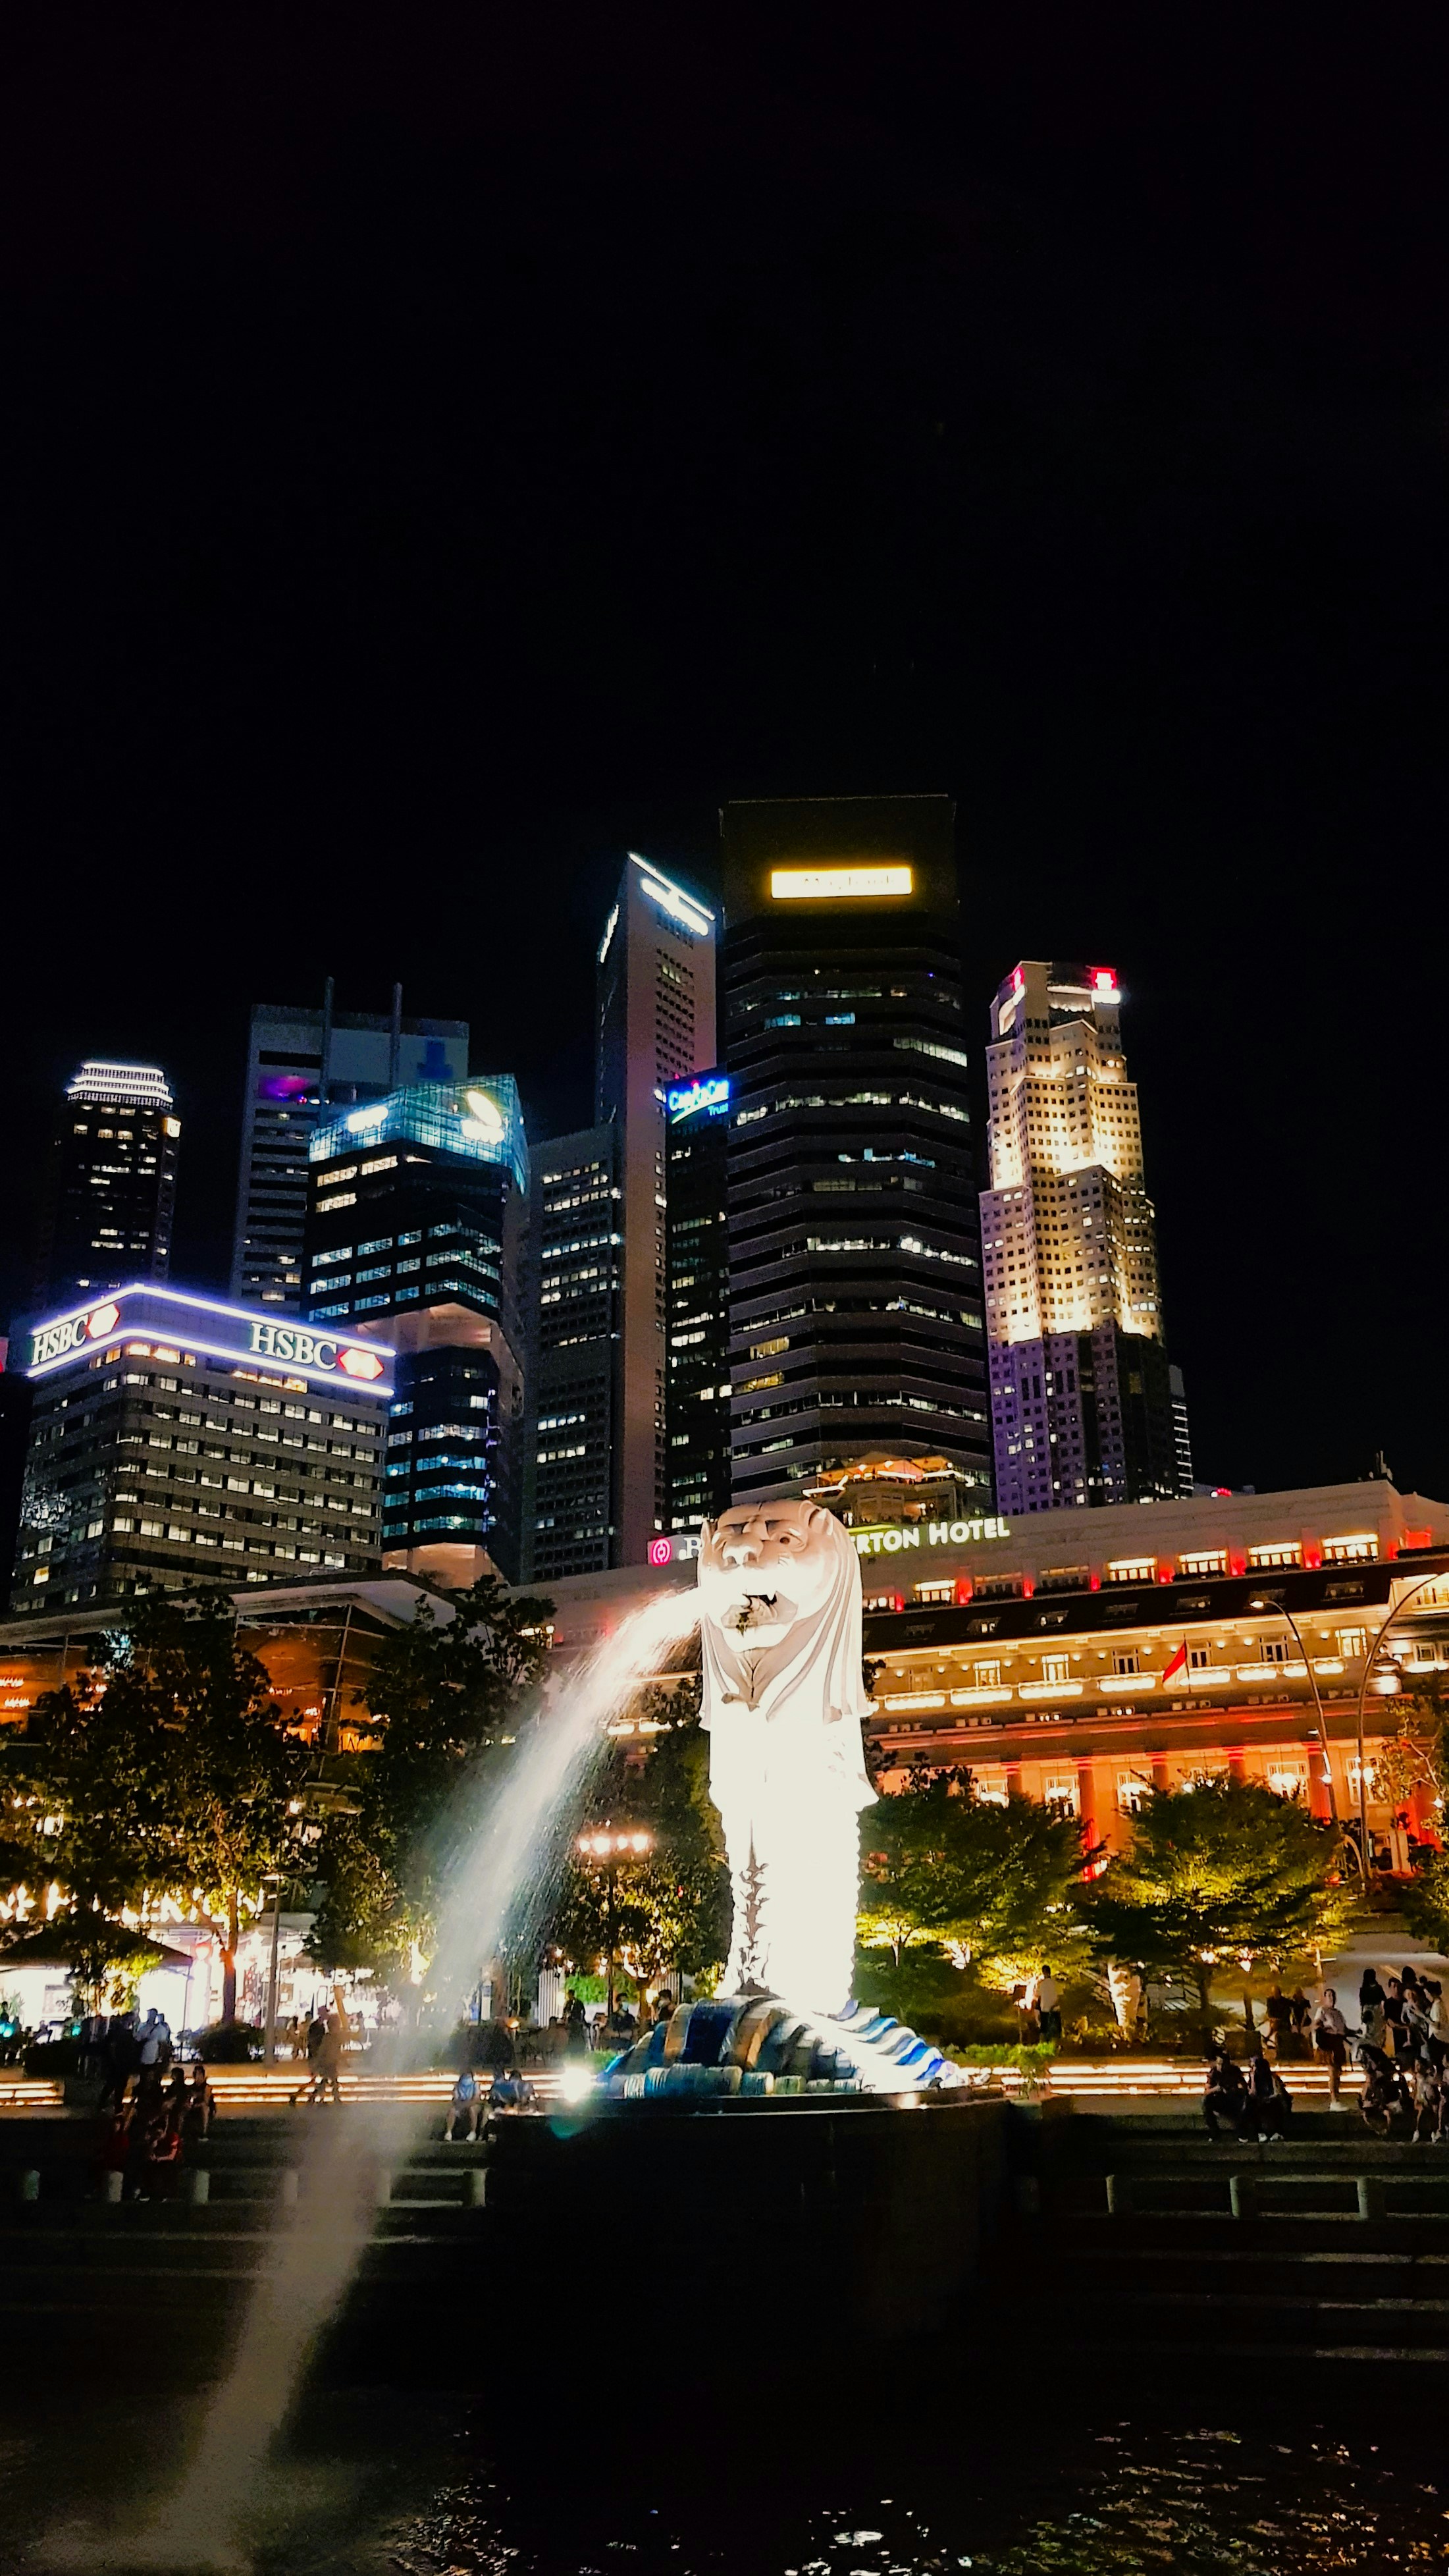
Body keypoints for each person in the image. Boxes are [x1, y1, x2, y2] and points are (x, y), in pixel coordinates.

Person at [1201, 2045, 1248, 2140]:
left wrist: (1234, 2089)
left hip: (1233, 2099)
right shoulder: (1214, 2073)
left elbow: (1243, 2086)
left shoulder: (1234, 2071)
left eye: (1223, 2064)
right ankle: (1214, 2133)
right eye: (1219, 2064)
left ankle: (1241, 2133)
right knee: (1207, 2102)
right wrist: (1217, 2089)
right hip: (1220, 2099)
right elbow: (1207, 2091)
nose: (1221, 2066)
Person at [1313, 1988, 1350, 2105]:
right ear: (1324, 1998)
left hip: (1339, 2042)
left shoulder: (1338, 2013)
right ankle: (1334, 2100)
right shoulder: (1322, 2010)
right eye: (1328, 1996)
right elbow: (1316, 2024)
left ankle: (1337, 2098)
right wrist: (1325, 2028)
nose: (1331, 1998)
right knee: (1333, 2071)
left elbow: (1344, 2029)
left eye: (1333, 1996)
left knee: (1338, 2072)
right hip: (1330, 2042)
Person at [444, 2067, 478, 2142]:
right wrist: (461, 2105)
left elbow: (476, 2099)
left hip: (471, 2105)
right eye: (465, 2075)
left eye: (468, 2076)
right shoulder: (457, 2086)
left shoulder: (475, 2085)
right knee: (452, 2110)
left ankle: (473, 2133)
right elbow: (456, 2099)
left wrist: (467, 2104)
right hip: (460, 2105)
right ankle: (449, 2133)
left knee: (472, 2109)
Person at [1263, 1980, 1294, 2060]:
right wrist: (1273, 2019)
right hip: (1274, 2021)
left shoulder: (1285, 2001)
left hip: (1283, 2021)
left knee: (1277, 2025)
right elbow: (1269, 2012)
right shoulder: (1270, 2001)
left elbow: (1288, 2011)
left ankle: (1268, 2037)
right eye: (1274, 1992)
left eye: (1277, 1992)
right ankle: (1269, 2037)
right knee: (1275, 2024)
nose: (1276, 1994)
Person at [1035, 1967, 1062, 2043]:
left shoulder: (1041, 1984)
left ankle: (1044, 2044)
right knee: (1057, 2028)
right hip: (1055, 2008)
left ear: (1044, 1973)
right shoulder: (1055, 1983)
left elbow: (1038, 1995)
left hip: (1045, 2009)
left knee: (1044, 2029)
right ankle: (1058, 2043)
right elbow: (1060, 1995)